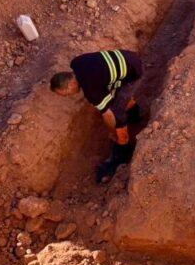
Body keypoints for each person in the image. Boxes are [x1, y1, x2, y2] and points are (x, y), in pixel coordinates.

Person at [50, 49, 142, 183]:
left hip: (134, 73)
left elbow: (109, 116)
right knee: (116, 96)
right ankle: (134, 113)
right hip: (130, 57)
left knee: (117, 112)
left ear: (70, 85)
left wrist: (112, 133)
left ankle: (124, 146)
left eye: (66, 94)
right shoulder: (76, 63)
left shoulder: (91, 90)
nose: (69, 96)